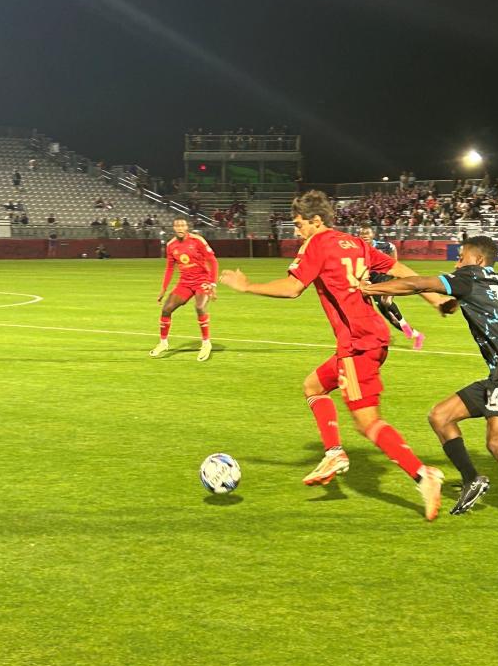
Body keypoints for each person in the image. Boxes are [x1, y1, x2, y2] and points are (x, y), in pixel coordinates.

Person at [220, 190, 446, 520]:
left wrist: (247, 286)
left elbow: (292, 287)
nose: (297, 231)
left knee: (367, 423)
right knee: (313, 386)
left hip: (357, 344)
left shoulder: (317, 244)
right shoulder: (354, 242)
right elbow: (401, 270)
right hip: (368, 337)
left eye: (299, 225)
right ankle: (334, 452)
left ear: (316, 221)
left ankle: (423, 475)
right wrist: (436, 298)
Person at [363, 235, 498, 529]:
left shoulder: (468, 278)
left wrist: (366, 288)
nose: (457, 263)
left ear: (478, 260)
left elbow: (417, 284)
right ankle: (472, 479)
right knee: (441, 416)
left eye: (461, 257)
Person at [151, 218, 218, 362]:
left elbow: (213, 261)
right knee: (166, 309)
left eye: (182, 225)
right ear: (174, 228)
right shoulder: (171, 245)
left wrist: (213, 285)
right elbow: (169, 268)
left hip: (202, 281)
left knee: (200, 307)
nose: (180, 227)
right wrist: (163, 289)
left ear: (187, 227)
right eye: (177, 225)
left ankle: (206, 343)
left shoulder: (197, 240)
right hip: (185, 283)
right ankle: (163, 343)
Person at [359, 225, 425, 350]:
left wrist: (394, 265)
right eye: (362, 234)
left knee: (386, 301)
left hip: (385, 279)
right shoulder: (359, 249)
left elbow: (393, 247)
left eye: (367, 233)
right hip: (374, 286)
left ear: (372, 235)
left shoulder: (381, 245)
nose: (364, 236)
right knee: (392, 319)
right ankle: (415, 335)